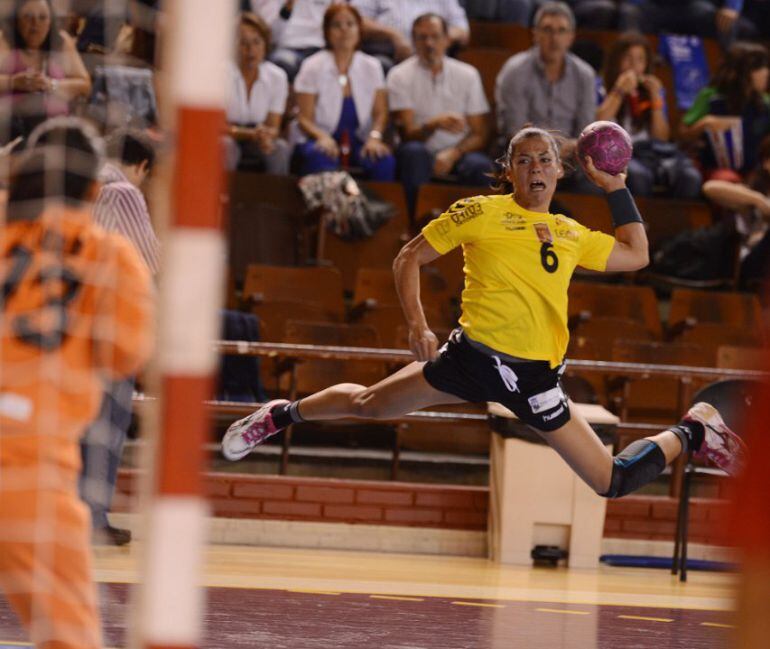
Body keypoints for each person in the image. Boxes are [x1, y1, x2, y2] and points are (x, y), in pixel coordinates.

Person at [221, 125, 746, 505]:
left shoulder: (571, 233)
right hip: (471, 357)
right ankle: (277, 416)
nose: (535, 168)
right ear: (509, 171)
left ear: (561, 171)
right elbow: (409, 257)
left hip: (536, 378)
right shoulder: (480, 212)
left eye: (544, 159)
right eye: (523, 159)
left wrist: (614, 188)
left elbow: (638, 255)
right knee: (369, 405)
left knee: (612, 481)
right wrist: (417, 324)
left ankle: (696, 431)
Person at [0, 117, 153, 647]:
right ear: (94, 189)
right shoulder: (112, 255)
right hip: (31, 470)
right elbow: (123, 355)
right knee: (70, 639)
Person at [78, 127, 159, 546]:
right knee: (106, 423)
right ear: (142, 165)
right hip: (103, 329)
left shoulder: (77, 183)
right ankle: (90, 516)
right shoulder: (124, 190)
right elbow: (147, 262)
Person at [387, 13, 493, 216]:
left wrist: (454, 153)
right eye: (422, 37)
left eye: (435, 36)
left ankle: (476, 233)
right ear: (413, 41)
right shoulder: (399, 75)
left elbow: (480, 133)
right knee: (414, 153)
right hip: (419, 148)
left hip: (458, 151)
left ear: (446, 39)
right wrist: (432, 125)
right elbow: (407, 133)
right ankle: (415, 225)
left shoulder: (468, 74)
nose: (429, 43)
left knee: (480, 166)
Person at [494, 1, 597, 194]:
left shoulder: (585, 75)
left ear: (571, 37)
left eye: (561, 31)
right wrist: (550, 150)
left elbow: (585, 129)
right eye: (547, 30)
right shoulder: (514, 71)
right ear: (535, 34)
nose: (554, 38)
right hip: (525, 157)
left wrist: (573, 147)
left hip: (570, 160)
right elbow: (514, 129)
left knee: (597, 181)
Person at [293, 3, 395, 181]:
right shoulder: (312, 66)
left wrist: (374, 137)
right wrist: (323, 137)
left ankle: (377, 209)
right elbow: (304, 119)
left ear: (359, 29)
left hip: (359, 140)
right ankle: (328, 209)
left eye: (350, 24)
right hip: (320, 138)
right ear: (327, 31)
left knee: (383, 160)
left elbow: (380, 113)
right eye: (336, 25)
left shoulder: (372, 66)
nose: (344, 30)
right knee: (320, 157)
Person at [597, 32, 702, 199]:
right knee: (638, 177)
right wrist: (619, 91)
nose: (634, 65)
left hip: (650, 152)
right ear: (616, 61)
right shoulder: (600, 86)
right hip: (616, 152)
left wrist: (656, 100)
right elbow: (597, 124)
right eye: (627, 58)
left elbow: (661, 138)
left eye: (640, 60)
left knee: (691, 178)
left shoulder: (654, 91)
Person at [679, 41, 770, 182]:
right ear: (740, 71)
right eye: (758, 67)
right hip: (717, 168)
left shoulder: (766, 102)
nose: (766, 73)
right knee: (728, 178)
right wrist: (705, 123)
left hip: (756, 169)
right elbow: (683, 135)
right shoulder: (710, 96)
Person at [0, 0, 91, 139]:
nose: (35, 23)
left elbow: (85, 85)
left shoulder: (62, 42)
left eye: (42, 17)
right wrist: (14, 82)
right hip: (10, 126)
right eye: (28, 17)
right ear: (16, 20)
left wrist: (51, 85)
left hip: (56, 128)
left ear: (50, 21)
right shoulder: (4, 41)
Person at [225, 12, 290, 174]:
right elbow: (215, 125)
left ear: (265, 45)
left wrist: (266, 136)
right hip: (227, 133)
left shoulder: (278, 77)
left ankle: (275, 198)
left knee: (280, 148)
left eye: (256, 42)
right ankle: (221, 198)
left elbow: (274, 125)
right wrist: (249, 134)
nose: (251, 50)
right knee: (225, 146)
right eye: (243, 43)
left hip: (257, 135)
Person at [703, 134, 770, 288]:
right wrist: (758, 200)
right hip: (754, 262)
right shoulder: (753, 191)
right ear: (766, 162)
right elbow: (710, 188)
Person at [351, 0, 469, 71]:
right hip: (391, 55)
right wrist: (393, 35)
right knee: (377, 66)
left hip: (433, 55)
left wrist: (436, 39)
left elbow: (462, 31)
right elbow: (356, 19)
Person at [249, 0, 335, 81]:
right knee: (281, 66)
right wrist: (288, 6)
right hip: (286, 48)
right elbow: (270, 36)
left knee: (331, 65)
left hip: (321, 47)